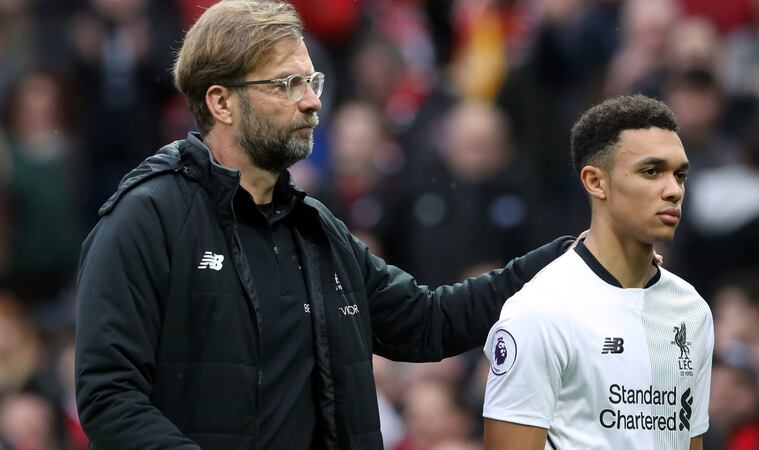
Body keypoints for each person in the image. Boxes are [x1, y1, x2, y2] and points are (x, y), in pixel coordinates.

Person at [72, 1, 572, 449]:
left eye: (312, 82)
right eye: (286, 84)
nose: (311, 101)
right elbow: (108, 396)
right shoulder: (148, 216)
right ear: (221, 103)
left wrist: (570, 259)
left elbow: (428, 322)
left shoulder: (316, 228)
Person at [482, 95, 714, 449]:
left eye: (679, 175)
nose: (674, 191)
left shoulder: (692, 309)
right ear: (595, 182)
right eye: (651, 171)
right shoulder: (539, 311)